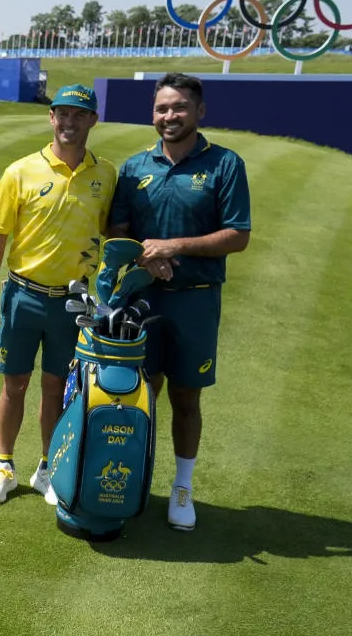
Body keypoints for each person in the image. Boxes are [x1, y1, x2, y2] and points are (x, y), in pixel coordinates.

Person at [107, 72, 251, 531]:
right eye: (162, 108)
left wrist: (175, 247)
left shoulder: (225, 164)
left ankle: (182, 489)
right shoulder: (134, 167)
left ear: (200, 111)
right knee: (139, 397)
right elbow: (118, 231)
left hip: (195, 301)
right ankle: (136, 481)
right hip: (143, 299)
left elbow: (237, 235)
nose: (169, 116)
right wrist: (146, 260)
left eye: (179, 107)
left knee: (187, 399)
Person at [0, 84, 117, 505]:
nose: (69, 122)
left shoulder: (106, 175)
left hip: (74, 301)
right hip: (24, 294)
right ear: (51, 118)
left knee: (57, 386)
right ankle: (4, 464)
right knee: (14, 383)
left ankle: (48, 465)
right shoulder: (19, 171)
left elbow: (114, 231)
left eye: (79, 114)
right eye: (62, 114)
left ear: (92, 120)